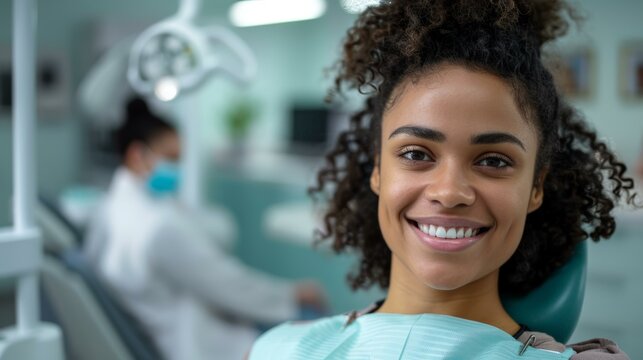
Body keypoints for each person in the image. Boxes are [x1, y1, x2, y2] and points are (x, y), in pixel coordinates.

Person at [248, 0, 636, 359]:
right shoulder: (278, 349)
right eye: (416, 154)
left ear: (536, 187)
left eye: (494, 161)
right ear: (378, 170)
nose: (449, 192)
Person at [84, 97, 326, 360]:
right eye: (170, 158)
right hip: (194, 342)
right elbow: (229, 285)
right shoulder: (157, 228)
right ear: (136, 155)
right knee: (316, 324)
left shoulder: (108, 210)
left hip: (165, 325)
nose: (176, 169)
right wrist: (293, 294)